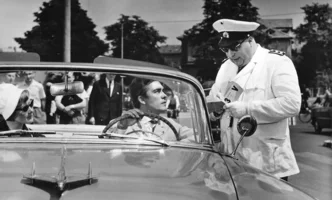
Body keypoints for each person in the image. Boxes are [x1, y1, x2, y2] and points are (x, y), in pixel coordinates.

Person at [207, 19, 301, 181]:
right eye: (225, 49)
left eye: (234, 47)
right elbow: (214, 98)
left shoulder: (276, 62)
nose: (230, 54)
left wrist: (248, 109)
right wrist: (213, 111)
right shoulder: (226, 67)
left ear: (250, 41)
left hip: (266, 162)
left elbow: (291, 104)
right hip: (232, 160)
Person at [110, 78, 194, 142]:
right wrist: (122, 128)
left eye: (163, 91)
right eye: (157, 91)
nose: (164, 95)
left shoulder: (170, 125)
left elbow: (197, 137)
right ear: (142, 99)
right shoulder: (120, 123)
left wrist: (174, 149)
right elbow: (109, 153)